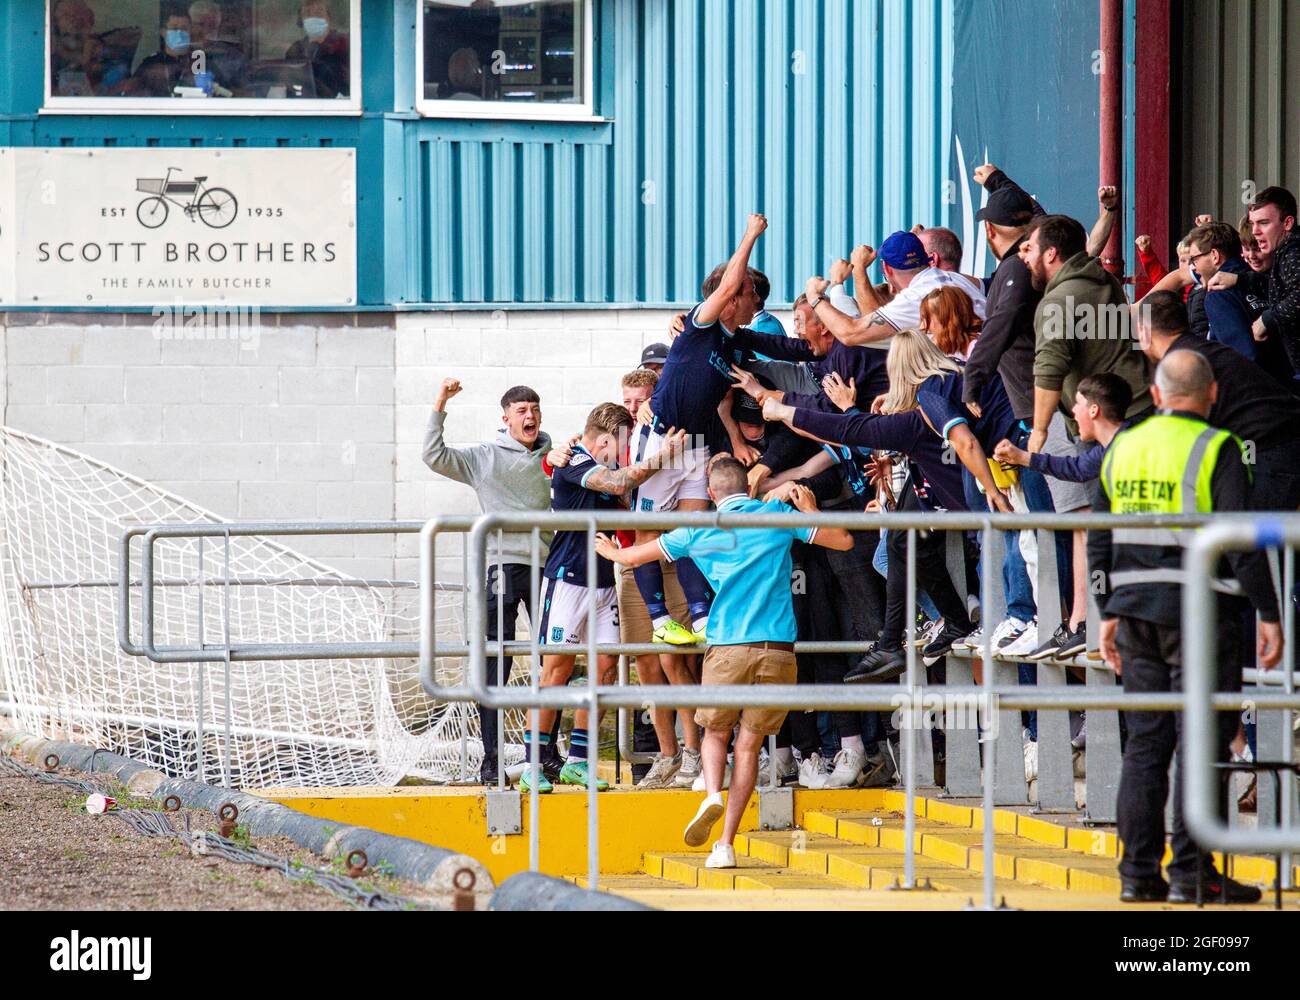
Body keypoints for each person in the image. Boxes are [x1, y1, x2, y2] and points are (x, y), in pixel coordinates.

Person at [1090, 350, 1282, 904]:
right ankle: (1194, 875)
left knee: (1146, 744)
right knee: (1202, 742)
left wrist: (1106, 610)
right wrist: (1269, 613)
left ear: (1155, 394)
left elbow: (1099, 537)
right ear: (1212, 394)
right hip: (1200, 612)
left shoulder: (1124, 445)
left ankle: (1137, 875)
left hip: (1134, 613)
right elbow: (1239, 541)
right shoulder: (1217, 447)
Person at [596, 458, 853, 869]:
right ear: (747, 489)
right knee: (749, 745)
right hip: (778, 650)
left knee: (715, 734)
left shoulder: (698, 529)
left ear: (711, 494)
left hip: (728, 647)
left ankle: (712, 793)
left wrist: (610, 549)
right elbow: (843, 541)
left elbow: (634, 559)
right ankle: (725, 844)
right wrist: (809, 510)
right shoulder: (776, 514)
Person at [521, 404, 687, 793]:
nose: (624, 453)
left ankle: (578, 762)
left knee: (606, 669)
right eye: (621, 445)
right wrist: (663, 457)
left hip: (602, 582)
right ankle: (532, 764)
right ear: (606, 439)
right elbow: (615, 483)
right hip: (566, 581)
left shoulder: (589, 460)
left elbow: (624, 498)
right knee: (556, 671)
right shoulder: (575, 458)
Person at [628, 214, 770, 648]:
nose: (753, 301)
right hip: (663, 439)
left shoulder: (730, 339)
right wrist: (750, 235)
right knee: (648, 530)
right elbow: (725, 289)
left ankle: (701, 616)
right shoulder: (700, 321)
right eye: (748, 293)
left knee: (693, 529)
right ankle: (659, 619)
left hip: (696, 446)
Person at [422, 379, 554, 785]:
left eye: (534, 409)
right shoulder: (485, 456)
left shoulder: (552, 455)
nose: (529, 416)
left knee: (554, 659)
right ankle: (492, 760)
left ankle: (546, 754)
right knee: (496, 661)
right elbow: (433, 455)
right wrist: (441, 402)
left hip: (545, 564)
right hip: (502, 566)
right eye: (521, 411)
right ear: (506, 419)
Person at [993, 372, 1134, 661]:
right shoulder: (1111, 448)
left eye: (1077, 404)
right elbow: (1076, 468)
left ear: (1093, 410)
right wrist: (1022, 457)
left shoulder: (1133, 448)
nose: (1072, 412)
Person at [1134, 291, 1300, 512]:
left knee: (1247, 531)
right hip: (1276, 447)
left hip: (1268, 455)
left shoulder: (1180, 367)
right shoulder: (1199, 350)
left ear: (1143, 332)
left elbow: (1179, 433)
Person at [805, 231, 986, 347]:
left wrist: (814, 296)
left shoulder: (914, 298)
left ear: (887, 269)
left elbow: (850, 333)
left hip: (967, 384)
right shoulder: (957, 279)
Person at [1208, 187, 1300, 382]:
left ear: (1287, 223)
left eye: (1264, 223)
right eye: (1253, 223)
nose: (1256, 231)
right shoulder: (1285, 253)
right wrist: (1240, 280)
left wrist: (1266, 320)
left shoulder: (1293, 253)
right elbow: (1280, 286)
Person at [286, 1, 349, 99]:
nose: (313, 17)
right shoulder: (295, 50)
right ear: (301, 21)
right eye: (308, 13)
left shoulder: (344, 45)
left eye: (319, 12)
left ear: (329, 18)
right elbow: (290, 85)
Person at [134, 13, 199, 97]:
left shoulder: (200, 61)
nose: (179, 33)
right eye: (174, 28)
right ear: (163, 32)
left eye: (184, 28)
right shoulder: (150, 64)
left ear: (191, 31)